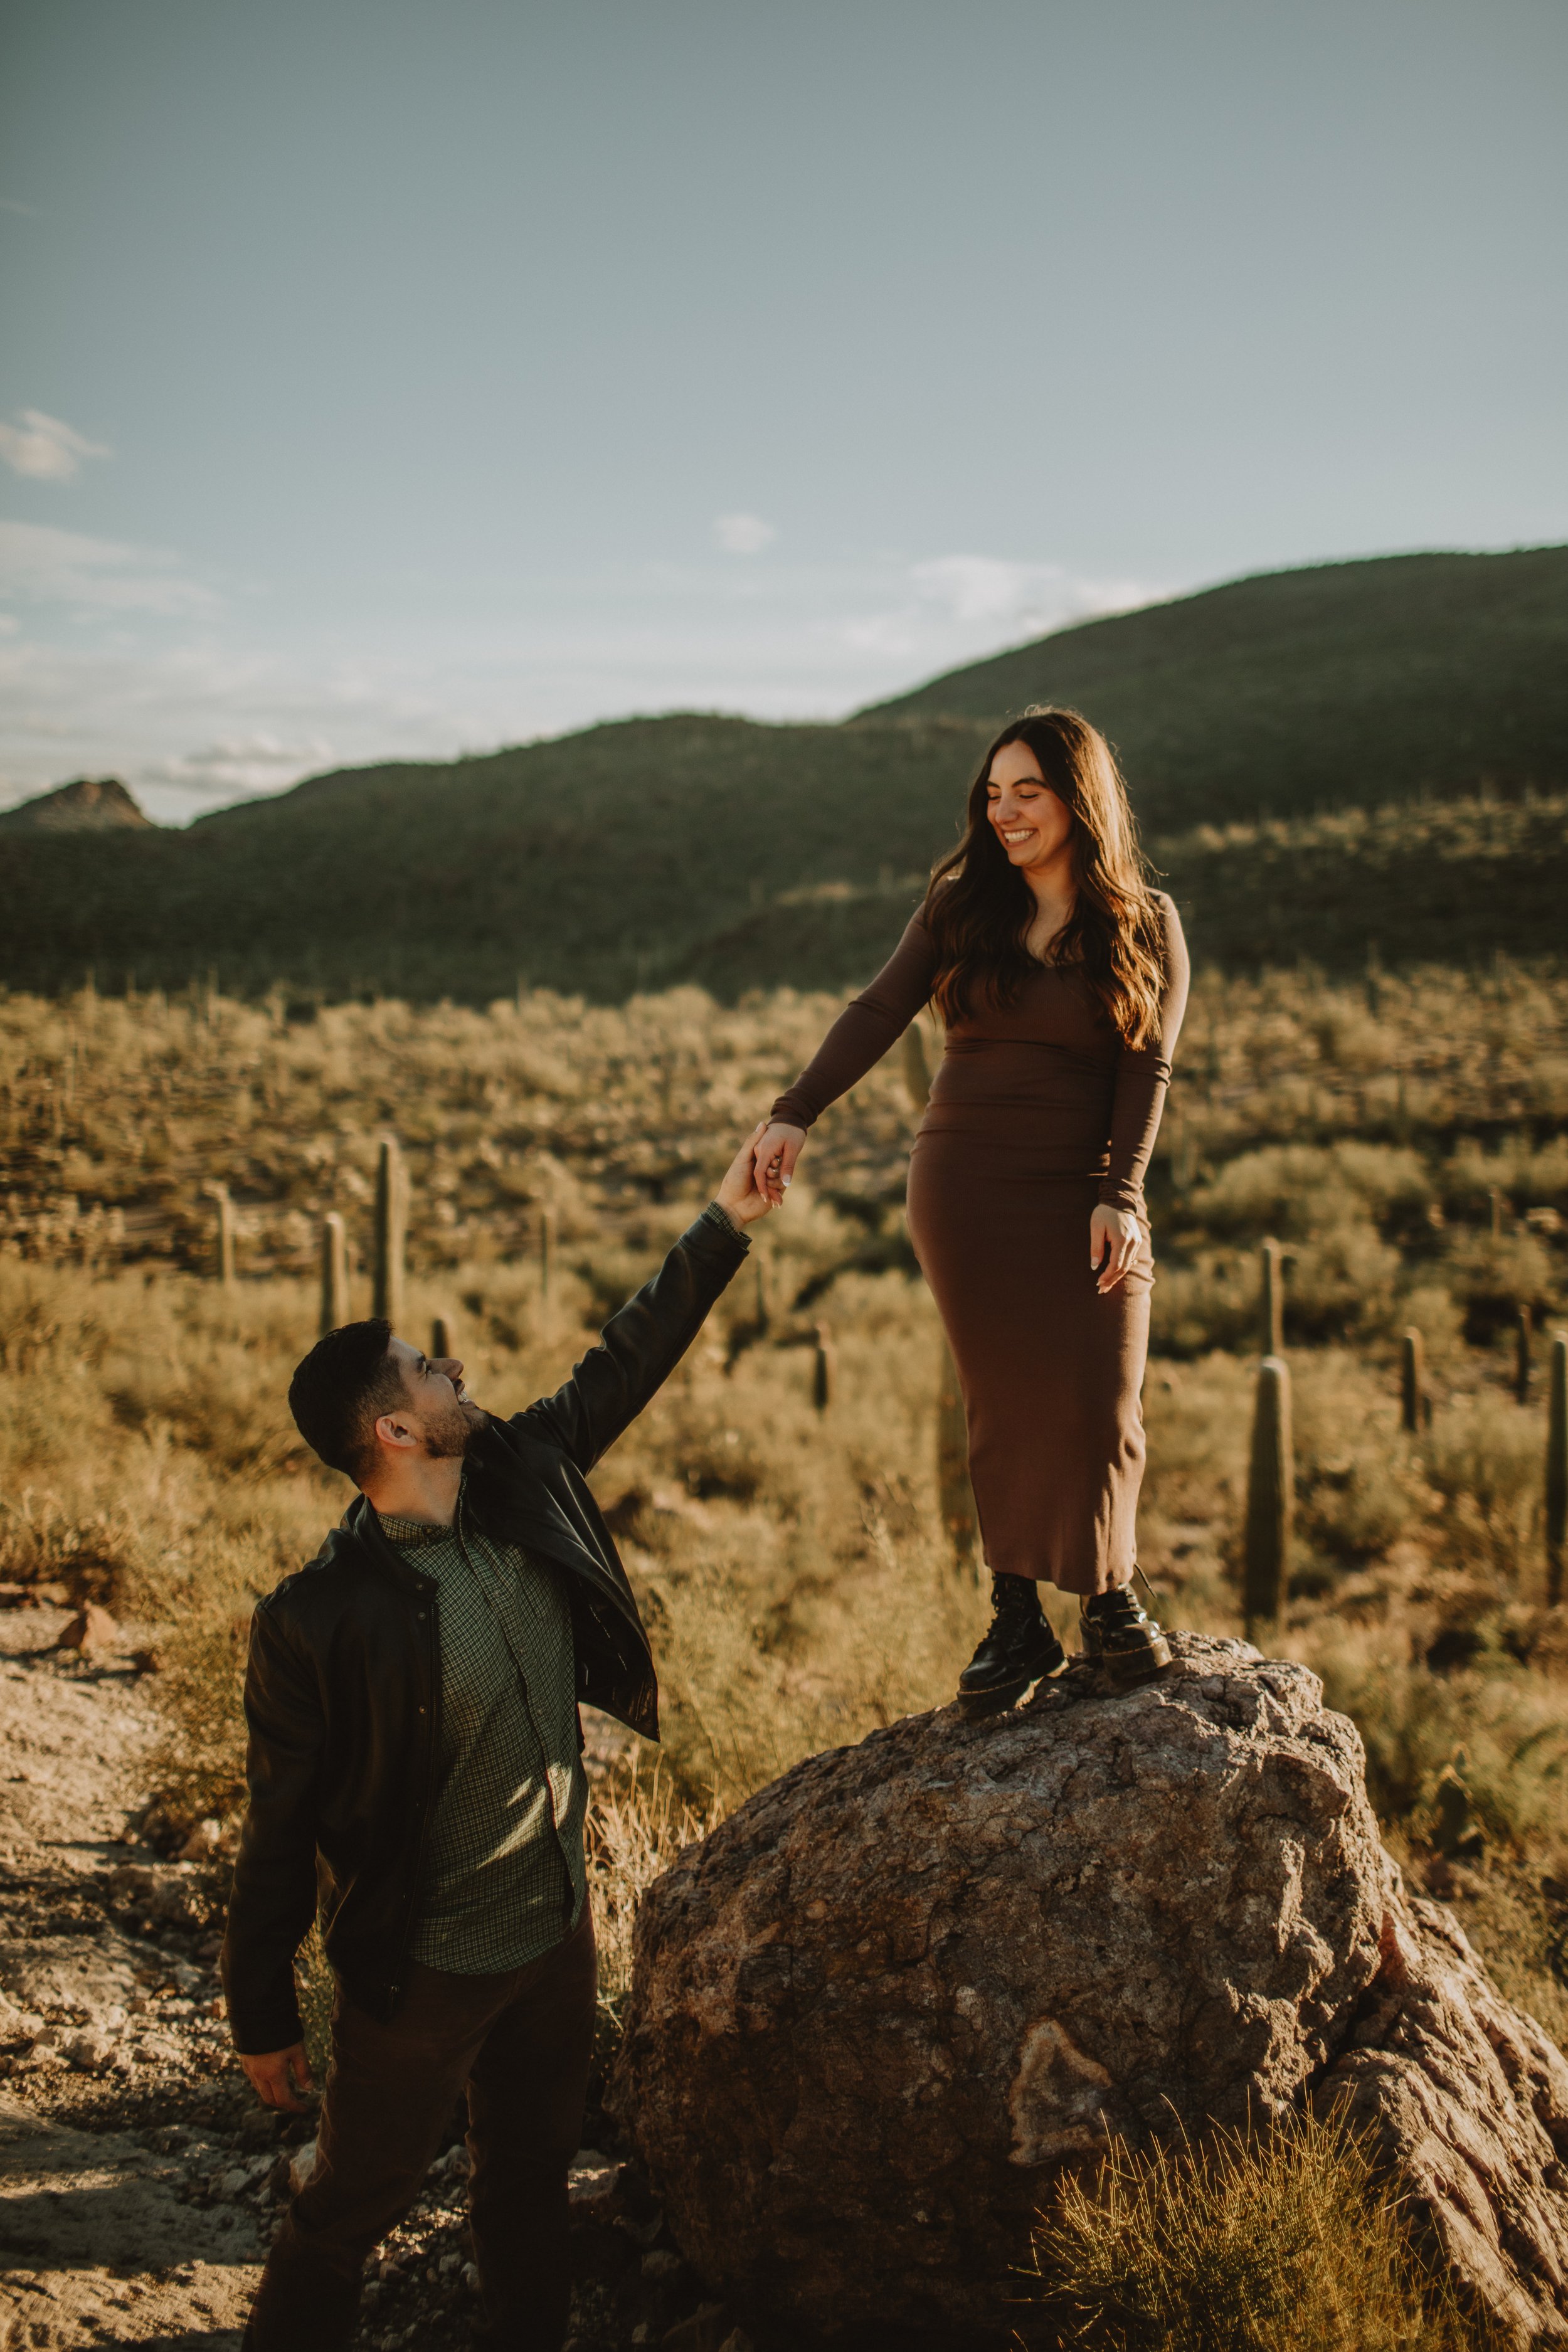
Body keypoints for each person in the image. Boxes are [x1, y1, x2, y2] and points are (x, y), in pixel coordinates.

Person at [222, 1130, 775, 2352]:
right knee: (345, 2211)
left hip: (554, 1937)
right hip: (420, 1974)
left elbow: (623, 1359)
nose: (454, 1367)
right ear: (396, 1437)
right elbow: (279, 1823)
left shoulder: (520, 1470)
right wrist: (259, 2008)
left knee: (525, 2186)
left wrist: (724, 1220)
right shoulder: (316, 1620)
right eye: (427, 1368)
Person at [751, 706, 1189, 1714]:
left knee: (1102, 1392)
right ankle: (1018, 1613)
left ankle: (1110, 1597)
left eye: (1027, 791)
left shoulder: (1146, 925)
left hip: (1085, 1189)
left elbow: (1147, 1066)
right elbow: (876, 1009)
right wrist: (794, 1113)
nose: (1005, 812)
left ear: (1079, 798)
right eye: (993, 794)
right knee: (1003, 1397)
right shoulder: (959, 908)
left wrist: (1119, 1195)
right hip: (967, 1183)